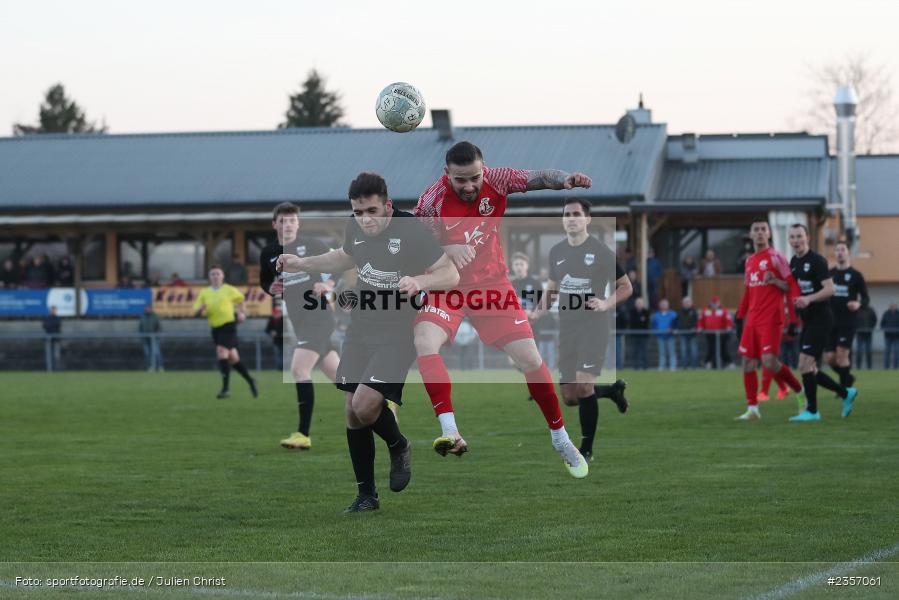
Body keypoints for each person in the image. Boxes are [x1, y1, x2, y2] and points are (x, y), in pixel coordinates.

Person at [277, 172, 458, 513]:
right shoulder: (355, 226)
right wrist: (302, 262)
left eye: (371, 211)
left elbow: (450, 274)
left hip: (397, 333)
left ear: (387, 206)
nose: (365, 220)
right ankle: (366, 497)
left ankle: (399, 443)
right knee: (351, 412)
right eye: (358, 212)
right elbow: (343, 257)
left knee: (364, 406)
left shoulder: (411, 230)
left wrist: (420, 281)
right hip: (361, 328)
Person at [411, 141, 591, 478]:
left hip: (492, 285)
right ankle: (450, 430)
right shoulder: (431, 201)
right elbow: (412, 242)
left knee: (531, 360)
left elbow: (539, 177)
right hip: (446, 285)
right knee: (425, 341)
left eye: (474, 178)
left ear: (484, 169)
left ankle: (560, 437)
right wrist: (447, 244)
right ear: (446, 174)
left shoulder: (499, 179)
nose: (468, 186)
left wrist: (565, 178)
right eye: (459, 180)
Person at [542, 199, 631, 462]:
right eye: (567, 214)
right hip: (566, 327)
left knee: (583, 386)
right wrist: (537, 311)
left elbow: (626, 287)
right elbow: (552, 289)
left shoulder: (602, 251)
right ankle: (612, 391)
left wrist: (606, 303)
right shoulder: (556, 252)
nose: (571, 218)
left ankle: (586, 450)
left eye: (576, 214)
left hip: (593, 325)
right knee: (570, 397)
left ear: (587, 219)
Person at [260, 202, 340, 451]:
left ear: (298, 223)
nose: (288, 225)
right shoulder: (269, 252)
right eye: (283, 221)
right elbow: (265, 280)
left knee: (298, 369)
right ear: (275, 224)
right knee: (340, 377)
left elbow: (336, 266)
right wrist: (270, 288)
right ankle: (380, 400)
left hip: (319, 315)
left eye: (292, 220)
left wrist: (327, 286)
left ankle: (303, 434)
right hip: (299, 320)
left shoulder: (313, 245)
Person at [732, 220, 803, 421]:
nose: (760, 233)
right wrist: (739, 317)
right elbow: (748, 291)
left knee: (770, 362)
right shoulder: (749, 260)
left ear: (769, 233)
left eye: (764, 229)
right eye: (757, 230)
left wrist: (793, 319)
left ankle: (799, 391)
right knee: (747, 363)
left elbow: (791, 286)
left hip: (771, 319)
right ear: (751, 234)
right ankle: (753, 409)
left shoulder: (777, 258)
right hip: (752, 320)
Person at [788, 224, 857, 422]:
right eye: (792, 237)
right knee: (811, 369)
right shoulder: (793, 262)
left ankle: (812, 411)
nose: (796, 240)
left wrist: (809, 299)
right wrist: (776, 282)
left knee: (804, 364)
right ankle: (845, 393)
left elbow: (830, 289)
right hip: (807, 319)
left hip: (821, 318)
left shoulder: (817, 261)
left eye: (799, 236)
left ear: (807, 237)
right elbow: (795, 287)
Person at [193, 265, 258, 399]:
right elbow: (196, 312)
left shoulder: (228, 289)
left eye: (218, 274)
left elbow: (241, 300)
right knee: (233, 358)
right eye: (213, 274)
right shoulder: (205, 292)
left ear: (222, 276)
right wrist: (201, 309)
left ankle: (225, 389)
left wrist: (241, 313)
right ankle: (250, 380)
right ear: (209, 277)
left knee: (221, 352)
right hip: (215, 328)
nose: (215, 276)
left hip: (228, 325)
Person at [824, 241, 869, 391]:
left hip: (848, 321)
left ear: (848, 252)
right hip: (830, 321)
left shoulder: (856, 275)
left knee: (842, 355)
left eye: (842, 249)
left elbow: (866, 298)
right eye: (837, 250)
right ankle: (848, 378)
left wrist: (858, 304)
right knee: (830, 358)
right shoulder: (829, 274)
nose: (840, 252)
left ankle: (844, 390)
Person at [698, 296, 733, 368]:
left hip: (721, 334)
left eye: (716, 303)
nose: (714, 305)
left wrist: (728, 327)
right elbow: (700, 320)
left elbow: (728, 320)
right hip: (709, 334)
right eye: (713, 303)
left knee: (722, 349)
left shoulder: (723, 311)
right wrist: (700, 327)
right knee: (711, 348)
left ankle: (729, 363)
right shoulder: (706, 311)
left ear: (719, 303)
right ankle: (709, 363)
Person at [651, 298, 678, 371]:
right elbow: (654, 326)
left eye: (665, 304)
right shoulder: (656, 315)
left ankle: (673, 366)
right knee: (661, 353)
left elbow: (676, 324)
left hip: (670, 336)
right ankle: (662, 366)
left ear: (668, 305)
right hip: (660, 336)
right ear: (660, 305)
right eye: (662, 304)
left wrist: (671, 329)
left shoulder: (673, 314)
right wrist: (656, 333)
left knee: (672, 352)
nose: (664, 305)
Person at [138, 303, 164, 372]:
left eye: (149, 308)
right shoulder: (142, 316)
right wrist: (142, 336)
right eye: (146, 308)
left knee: (156, 352)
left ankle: (160, 367)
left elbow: (159, 327)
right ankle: (150, 367)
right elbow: (140, 328)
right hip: (145, 339)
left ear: (151, 309)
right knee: (147, 353)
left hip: (154, 338)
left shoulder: (155, 316)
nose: (147, 309)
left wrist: (156, 335)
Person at [677, 297, 699, 369]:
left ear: (691, 303)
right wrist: (680, 329)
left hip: (692, 335)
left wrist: (694, 328)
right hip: (683, 334)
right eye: (685, 302)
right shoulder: (680, 312)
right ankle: (684, 366)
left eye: (688, 302)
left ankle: (694, 366)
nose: (686, 304)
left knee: (694, 351)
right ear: (682, 304)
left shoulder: (694, 312)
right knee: (683, 351)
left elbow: (696, 322)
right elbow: (678, 322)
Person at [629, 296, 650, 369]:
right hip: (635, 335)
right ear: (635, 304)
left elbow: (646, 323)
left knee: (644, 351)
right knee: (635, 351)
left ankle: (645, 366)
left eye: (640, 303)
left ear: (643, 304)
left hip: (644, 336)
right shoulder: (632, 312)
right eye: (638, 303)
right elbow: (632, 322)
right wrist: (640, 320)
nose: (639, 304)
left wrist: (638, 320)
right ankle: (636, 366)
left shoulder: (646, 312)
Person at [855, 305, 876, 369]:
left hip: (868, 334)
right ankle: (858, 367)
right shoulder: (857, 310)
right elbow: (854, 319)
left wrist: (870, 328)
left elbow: (874, 320)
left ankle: (869, 367)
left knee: (868, 352)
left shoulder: (871, 310)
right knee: (859, 352)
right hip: (860, 334)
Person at [42, 305, 62, 370]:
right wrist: (51, 325)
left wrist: (51, 325)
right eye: (52, 310)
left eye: (54, 310)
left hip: (56, 340)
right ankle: (49, 369)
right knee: (48, 355)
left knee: (56, 356)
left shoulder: (58, 318)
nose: (53, 311)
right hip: (48, 340)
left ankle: (56, 369)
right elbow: (45, 326)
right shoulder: (47, 318)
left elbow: (57, 325)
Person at [264, 305, 284, 370]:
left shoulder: (283, 320)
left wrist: (277, 333)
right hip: (276, 341)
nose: (277, 314)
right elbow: (267, 330)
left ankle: (282, 367)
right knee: (278, 354)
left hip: (285, 340)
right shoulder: (272, 320)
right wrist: (271, 332)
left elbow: (286, 330)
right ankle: (280, 368)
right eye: (276, 313)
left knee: (283, 354)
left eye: (278, 312)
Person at [882, 303, 899, 369]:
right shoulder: (886, 313)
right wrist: (885, 330)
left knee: (896, 352)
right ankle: (886, 368)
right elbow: (882, 324)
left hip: (897, 337)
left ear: (896, 306)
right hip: (888, 336)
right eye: (891, 306)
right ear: (890, 306)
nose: (893, 307)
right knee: (887, 353)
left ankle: (895, 367)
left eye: (894, 306)